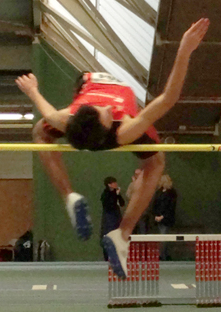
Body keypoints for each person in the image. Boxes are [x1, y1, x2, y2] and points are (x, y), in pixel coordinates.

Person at [15, 18, 210, 278]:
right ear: (108, 127)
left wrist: (33, 91)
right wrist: (184, 51)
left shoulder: (71, 118)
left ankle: (70, 197)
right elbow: (168, 99)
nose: (105, 106)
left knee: (40, 131)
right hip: (121, 119)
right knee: (157, 160)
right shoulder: (124, 128)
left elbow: (48, 113)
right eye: (103, 111)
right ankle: (123, 233)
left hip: (87, 89)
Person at [152, 174, 177, 260]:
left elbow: (171, 207)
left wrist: (163, 216)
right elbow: (154, 204)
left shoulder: (172, 193)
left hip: (166, 218)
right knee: (161, 236)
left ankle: (163, 255)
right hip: (158, 218)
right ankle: (162, 254)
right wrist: (155, 215)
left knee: (164, 236)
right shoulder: (159, 191)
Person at [100, 177, 125, 260]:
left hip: (116, 216)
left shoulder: (116, 193)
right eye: (114, 183)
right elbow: (110, 205)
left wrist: (118, 195)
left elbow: (122, 203)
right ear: (109, 184)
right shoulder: (105, 194)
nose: (116, 184)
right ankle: (107, 256)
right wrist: (115, 195)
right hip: (109, 218)